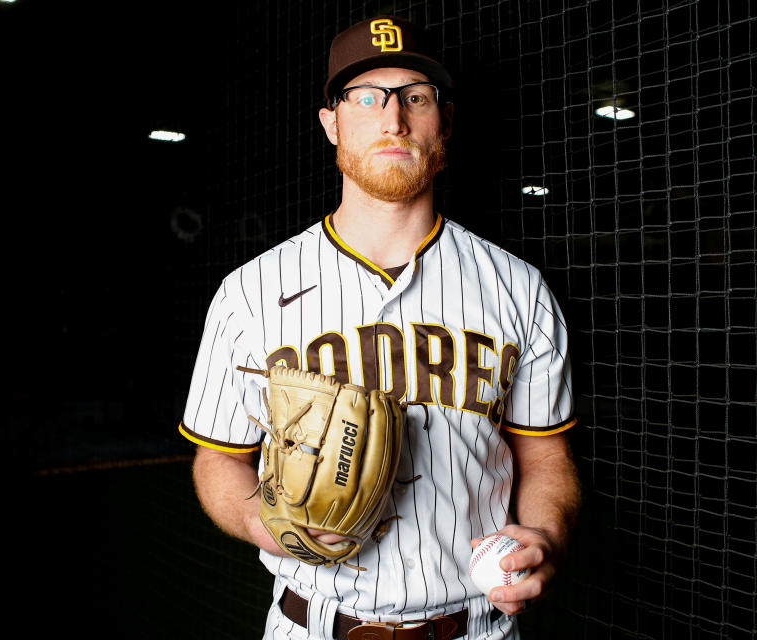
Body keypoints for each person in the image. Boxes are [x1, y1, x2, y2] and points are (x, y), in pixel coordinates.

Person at [179, 15, 581, 640]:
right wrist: (267, 524)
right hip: (310, 626)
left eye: (415, 97)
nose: (393, 120)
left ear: (442, 120)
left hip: (474, 627)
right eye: (365, 97)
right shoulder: (248, 292)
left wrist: (544, 534)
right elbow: (218, 461)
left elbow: (545, 454)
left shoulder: (518, 287)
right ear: (330, 122)